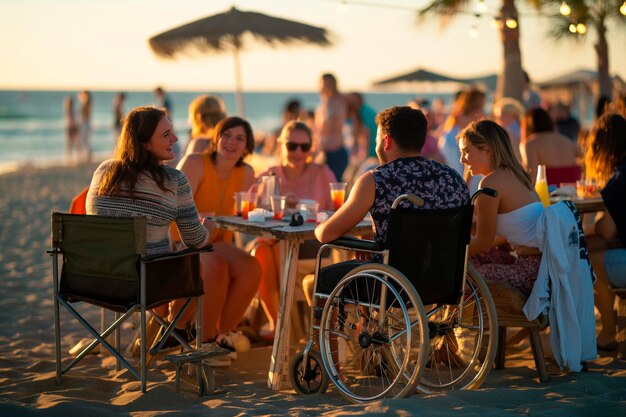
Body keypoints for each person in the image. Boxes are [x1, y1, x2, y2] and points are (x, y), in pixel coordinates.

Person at [85, 106, 225, 362]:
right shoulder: (173, 180)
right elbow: (194, 239)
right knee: (199, 262)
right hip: (147, 282)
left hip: (95, 280)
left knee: (168, 252)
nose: (176, 139)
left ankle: (166, 331)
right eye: (166, 134)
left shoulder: (104, 172)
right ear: (145, 143)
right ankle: (177, 329)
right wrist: (211, 229)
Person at [314, 106, 469, 292]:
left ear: (386, 141)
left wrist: (320, 227)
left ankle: (338, 321)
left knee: (316, 281)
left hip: (391, 283)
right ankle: (363, 322)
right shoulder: (452, 178)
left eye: (377, 139)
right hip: (443, 280)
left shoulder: (376, 180)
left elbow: (326, 235)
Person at [176, 116, 261, 361]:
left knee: (252, 267)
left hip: (217, 241)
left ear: (247, 147)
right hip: (185, 238)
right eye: (226, 135)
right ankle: (204, 341)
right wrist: (204, 217)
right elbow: (175, 206)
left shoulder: (246, 172)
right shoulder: (195, 162)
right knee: (216, 266)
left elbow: (247, 209)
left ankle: (221, 334)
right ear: (216, 138)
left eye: (240, 138)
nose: (231, 142)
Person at [251, 121, 336, 338]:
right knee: (261, 250)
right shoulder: (271, 174)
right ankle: (277, 323)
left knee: (268, 248)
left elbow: (336, 211)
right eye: (292, 146)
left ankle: (280, 327)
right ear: (281, 145)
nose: (298, 152)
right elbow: (251, 207)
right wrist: (275, 205)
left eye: (304, 147)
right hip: (276, 241)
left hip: (313, 242)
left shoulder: (322, 172)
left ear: (311, 148)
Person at [459, 120, 543, 296]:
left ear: (487, 149)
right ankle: (489, 321)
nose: (462, 159)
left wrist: (448, 252)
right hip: (542, 268)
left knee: (462, 273)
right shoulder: (517, 174)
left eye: (466, 151)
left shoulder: (490, 184)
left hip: (530, 274)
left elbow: (483, 242)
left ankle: (470, 321)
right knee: (472, 259)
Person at [585, 113, 626, 351]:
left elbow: (607, 232)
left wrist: (587, 228)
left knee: (589, 259)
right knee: (591, 246)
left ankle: (609, 333)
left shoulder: (619, 179)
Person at [520, 107, 581, 184]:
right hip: (572, 192)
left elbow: (531, 177)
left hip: (548, 194)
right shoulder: (568, 141)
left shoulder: (530, 144)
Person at [437, 88, 485, 177]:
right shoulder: (453, 136)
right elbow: (457, 169)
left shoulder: (453, 131)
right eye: (480, 107)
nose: (481, 114)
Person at [314, 73, 348, 181]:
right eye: (323, 83)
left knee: (334, 188)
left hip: (335, 152)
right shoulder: (324, 102)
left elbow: (331, 126)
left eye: (328, 83)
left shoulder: (337, 102)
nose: (325, 86)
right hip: (324, 151)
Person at [63, 95, 79, 161]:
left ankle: (71, 157)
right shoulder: (69, 111)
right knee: (70, 143)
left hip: (71, 128)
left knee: (72, 143)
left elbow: (71, 121)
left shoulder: (71, 111)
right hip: (70, 128)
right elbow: (70, 121)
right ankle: (69, 157)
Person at [78, 90, 92, 163]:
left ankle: (87, 156)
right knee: (85, 140)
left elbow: (84, 115)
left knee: (84, 140)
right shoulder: (88, 103)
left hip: (85, 123)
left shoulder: (86, 103)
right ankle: (86, 155)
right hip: (86, 123)